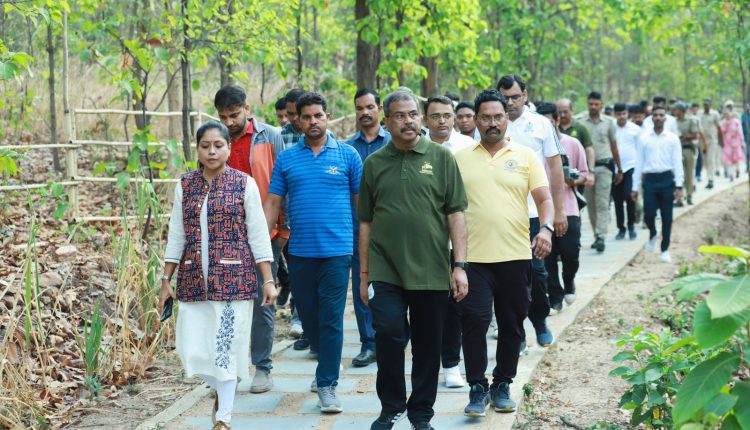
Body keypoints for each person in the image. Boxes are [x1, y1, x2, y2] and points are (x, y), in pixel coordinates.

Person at [358, 89, 468, 430]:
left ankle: (421, 413)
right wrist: (364, 274)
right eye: (399, 116)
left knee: (427, 345)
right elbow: (366, 222)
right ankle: (391, 407)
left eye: (412, 114)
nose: (408, 121)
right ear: (386, 121)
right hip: (385, 268)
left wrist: (459, 266)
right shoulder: (374, 163)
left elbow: (456, 214)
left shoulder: (442, 158)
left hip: (431, 267)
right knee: (389, 333)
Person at [158, 120, 277, 430]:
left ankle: (224, 417)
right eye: (205, 146)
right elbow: (177, 234)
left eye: (218, 145)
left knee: (225, 348)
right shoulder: (185, 185)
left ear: (228, 147)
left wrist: (267, 279)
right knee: (192, 348)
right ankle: (223, 386)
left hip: (233, 282)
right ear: (197, 149)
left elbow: (258, 234)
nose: (212, 151)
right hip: (193, 280)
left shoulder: (244, 184)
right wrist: (166, 280)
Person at [455, 90, 554, 417]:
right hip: (473, 259)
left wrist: (546, 228)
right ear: (476, 120)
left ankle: (502, 384)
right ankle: (477, 386)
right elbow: (449, 209)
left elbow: (544, 199)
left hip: (515, 256)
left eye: (498, 116)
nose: (492, 123)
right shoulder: (460, 158)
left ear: (506, 118)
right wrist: (454, 260)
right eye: (486, 117)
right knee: (475, 321)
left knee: (512, 324)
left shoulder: (526, 156)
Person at [264, 91, 363, 413]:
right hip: (300, 252)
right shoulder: (288, 159)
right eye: (306, 117)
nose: (313, 121)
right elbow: (274, 202)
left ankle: (327, 383)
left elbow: (361, 206)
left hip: (337, 251)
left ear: (327, 116)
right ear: (298, 120)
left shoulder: (348, 156)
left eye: (318, 115)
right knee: (309, 317)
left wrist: (366, 247)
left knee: (332, 318)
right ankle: (325, 360)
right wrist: (262, 243)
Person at [213, 85, 286, 394]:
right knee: (226, 303)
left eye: (234, 115)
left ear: (247, 108)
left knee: (262, 300)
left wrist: (283, 231)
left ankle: (263, 367)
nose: (229, 122)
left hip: (264, 232)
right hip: (226, 234)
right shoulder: (216, 138)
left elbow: (283, 182)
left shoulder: (270, 136)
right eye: (223, 117)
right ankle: (229, 369)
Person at [497, 74, 565, 350]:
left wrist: (559, 211)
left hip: (535, 211)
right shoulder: (490, 123)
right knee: (508, 277)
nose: (510, 103)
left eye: (515, 97)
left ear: (525, 95)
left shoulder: (541, 124)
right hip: (501, 214)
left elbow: (555, 168)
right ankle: (517, 334)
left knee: (536, 273)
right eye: (505, 98)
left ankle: (539, 319)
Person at [423, 95, 473, 387]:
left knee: (456, 302)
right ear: (425, 119)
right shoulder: (416, 147)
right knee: (429, 306)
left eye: (446, 115)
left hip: (460, 236)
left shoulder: (468, 147)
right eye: (435, 116)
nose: (441, 121)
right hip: (425, 239)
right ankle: (431, 362)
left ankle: (452, 364)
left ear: (454, 118)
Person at [344, 88, 391, 368]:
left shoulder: (394, 142)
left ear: (380, 109)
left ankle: (395, 335)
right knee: (362, 283)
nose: (364, 112)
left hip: (392, 227)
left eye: (369, 107)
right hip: (357, 227)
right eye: (359, 108)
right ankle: (369, 343)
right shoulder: (348, 148)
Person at [632, 106, 684, 263]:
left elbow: (677, 162)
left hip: (667, 179)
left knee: (667, 216)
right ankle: (653, 233)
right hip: (650, 180)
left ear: (665, 118)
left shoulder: (672, 138)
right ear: (651, 118)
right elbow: (639, 163)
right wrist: (634, 187)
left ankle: (664, 249)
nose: (659, 118)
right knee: (649, 214)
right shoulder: (644, 139)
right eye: (656, 115)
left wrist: (679, 186)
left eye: (661, 115)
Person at [278, 88, 308, 349]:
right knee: (296, 270)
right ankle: (299, 317)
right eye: (289, 114)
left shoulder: (325, 139)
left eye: (297, 113)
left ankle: (307, 320)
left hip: (312, 217)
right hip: (287, 218)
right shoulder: (279, 138)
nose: (293, 119)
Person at [579, 91, 623, 253]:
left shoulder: (609, 122)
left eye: (596, 104)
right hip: (587, 169)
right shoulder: (580, 122)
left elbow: (614, 146)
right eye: (591, 104)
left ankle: (601, 236)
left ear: (601, 105)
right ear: (587, 104)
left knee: (602, 203)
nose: (593, 107)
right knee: (591, 204)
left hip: (605, 167)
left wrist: (619, 168)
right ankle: (596, 234)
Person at [612, 103, 640, 240]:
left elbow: (640, 149)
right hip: (614, 168)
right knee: (617, 200)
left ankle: (631, 225)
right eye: (619, 114)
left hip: (631, 167)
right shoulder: (611, 128)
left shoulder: (635, 129)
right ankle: (621, 228)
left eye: (624, 113)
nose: (622, 116)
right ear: (615, 114)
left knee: (629, 196)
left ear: (627, 114)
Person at [557, 98, 595, 171]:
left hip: (577, 171)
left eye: (565, 112)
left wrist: (591, 170)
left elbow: (589, 150)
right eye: (559, 112)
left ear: (572, 111)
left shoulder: (580, 128)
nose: (562, 115)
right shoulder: (553, 129)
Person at [673, 102, 700, 206]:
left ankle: (689, 196)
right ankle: (679, 198)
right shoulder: (673, 122)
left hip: (687, 149)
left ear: (682, 111)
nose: (675, 112)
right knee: (679, 174)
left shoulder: (690, 120)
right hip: (676, 150)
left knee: (689, 174)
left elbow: (695, 134)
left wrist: (684, 137)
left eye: (676, 110)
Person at [699, 98, 723, 189]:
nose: (706, 106)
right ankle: (708, 176)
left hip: (712, 140)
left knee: (711, 160)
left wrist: (721, 141)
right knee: (705, 161)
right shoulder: (700, 114)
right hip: (702, 141)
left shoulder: (715, 114)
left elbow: (719, 127)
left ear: (710, 105)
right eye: (704, 104)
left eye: (707, 104)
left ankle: (711, 179)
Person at [720, 100, 747, 180]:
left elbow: (740, 132)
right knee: (728, 159)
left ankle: (737, 170)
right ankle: (731, 175)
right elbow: (721, 132)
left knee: (736, 158)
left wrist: (742, 142)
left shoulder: (736, 119)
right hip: (727, 143)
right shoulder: (723, 122)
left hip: (736, 142)